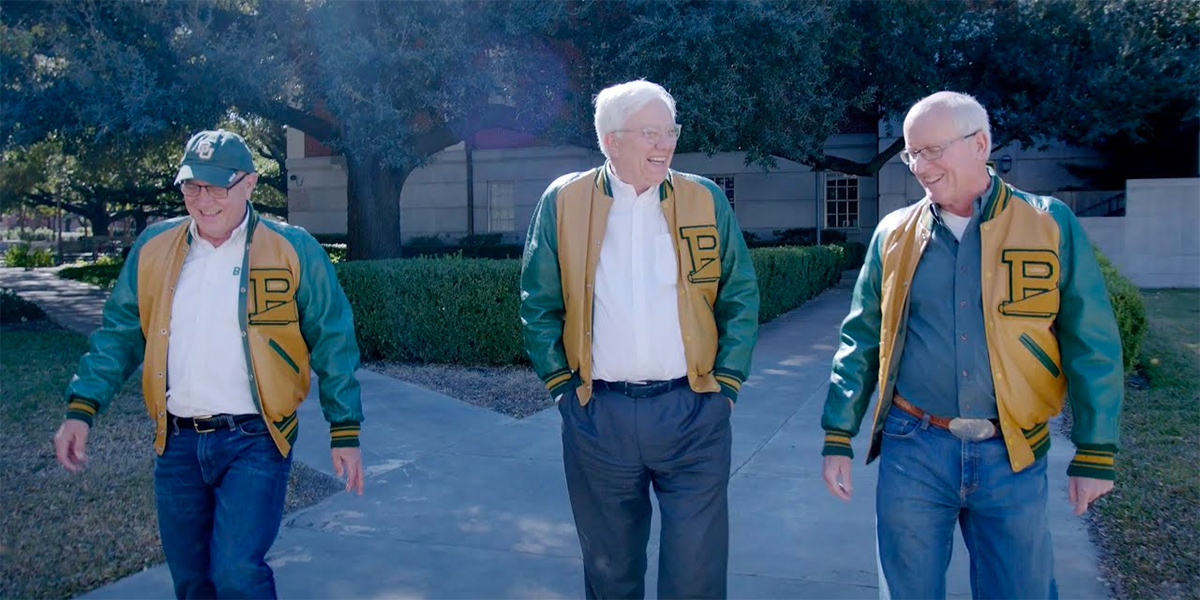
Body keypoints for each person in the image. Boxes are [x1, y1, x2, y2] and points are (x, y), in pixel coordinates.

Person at [819, 91, 1124, 599]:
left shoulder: (1048, 224)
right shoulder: (893, 233)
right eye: (913, 153)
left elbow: (1090, 340)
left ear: (980, 143)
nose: (920, 165)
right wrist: (837, 435)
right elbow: (861, 338)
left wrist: (1095, 450)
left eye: (933, 149)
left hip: (1013, 451)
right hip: (913, 448)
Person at [52, 129, 365, 599]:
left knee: (237, 572)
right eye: (192, 186)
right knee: (193, 580)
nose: (204, 200)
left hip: (256, 440)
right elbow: (118, 336)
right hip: (176, 444)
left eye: (218, 186)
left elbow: (333, 341)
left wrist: (345, 431)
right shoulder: (154, 249)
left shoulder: (293, 250)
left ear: (249, 184)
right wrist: (82, 410)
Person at [520, 80, 759, 600]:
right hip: (598, 417)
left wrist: (726, 387)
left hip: (694, 413)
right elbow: (538, 303)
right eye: (650, 133)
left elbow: (739, 295)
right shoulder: (564, 200)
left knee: (695, 575)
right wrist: (563, 389)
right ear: (611, 141)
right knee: (611, 573)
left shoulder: (705, 199)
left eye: (670, 131)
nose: (665, 144)